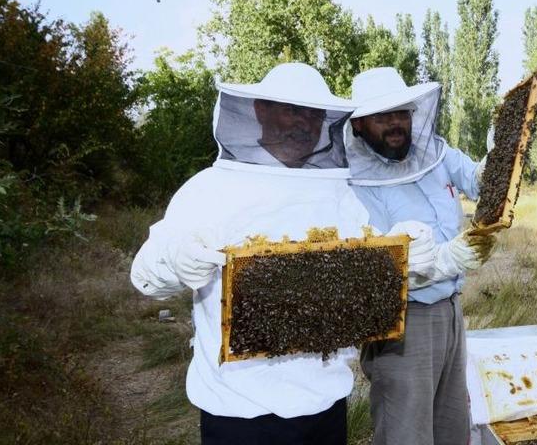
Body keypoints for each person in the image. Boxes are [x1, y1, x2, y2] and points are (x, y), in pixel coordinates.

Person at [130, 63, 432, 445]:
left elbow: (369, 281)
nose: (303, 123)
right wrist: (172, 260)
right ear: (259, 110)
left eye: (314, 113)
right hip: (238, 410)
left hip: (325, 404)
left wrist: (407, 259)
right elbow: (143, 276)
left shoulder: (340, 194)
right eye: (292, 109)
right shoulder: (209, 190)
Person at [345, 67, 496, 445]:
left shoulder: (435, 152)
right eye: (383, 116)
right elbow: (380, 261)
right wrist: (448, 259)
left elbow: (480, 182)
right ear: (359, 125)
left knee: (451, 425)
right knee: (407, 433)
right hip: (402, 325)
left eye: (402, 113)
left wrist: (501, 155)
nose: (396, 124)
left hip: (451, 312)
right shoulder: (352, 186)